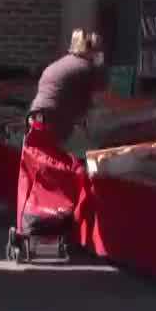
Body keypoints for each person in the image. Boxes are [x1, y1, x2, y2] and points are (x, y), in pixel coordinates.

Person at [18, 30, 105, 242]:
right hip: (54, 126)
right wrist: (151, 104)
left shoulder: (59, 64)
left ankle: (38, 220)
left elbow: (66, 98)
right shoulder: (85, 68)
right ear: (92, 50)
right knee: (87, 162)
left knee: (42, 171)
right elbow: (104, 100)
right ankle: (74, 220)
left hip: (35, 122)